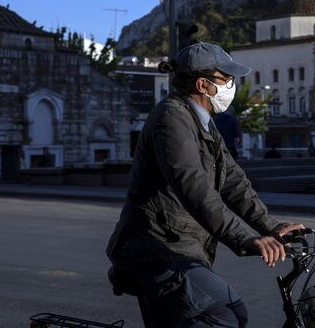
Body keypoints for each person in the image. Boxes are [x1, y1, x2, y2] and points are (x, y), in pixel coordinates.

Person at [106, 42, 303, 327]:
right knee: (228, 315)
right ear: (203, 84)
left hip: (178, 247)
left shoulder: (204, 123)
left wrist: (270, 226)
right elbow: (194, 187)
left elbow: (234, 181)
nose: (232, 85)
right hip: (155, 248)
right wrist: (246, 238)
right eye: (227, 79)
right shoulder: (171, 119)